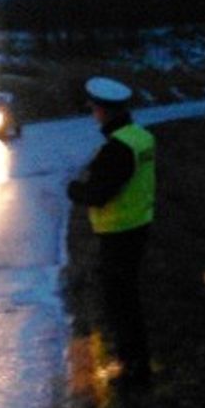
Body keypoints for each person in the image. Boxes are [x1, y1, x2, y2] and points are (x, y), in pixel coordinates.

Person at [67, 76, 156, 387]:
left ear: (105, 111)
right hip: (138, 227)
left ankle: (134, 371)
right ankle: (137, 364)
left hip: (119, 234)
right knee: (128, 302)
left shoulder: (116, 149)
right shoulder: (141, 138)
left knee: (121, 306)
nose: (93, 113)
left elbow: (97, 194)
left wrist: (74, 189)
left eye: (94, 108)